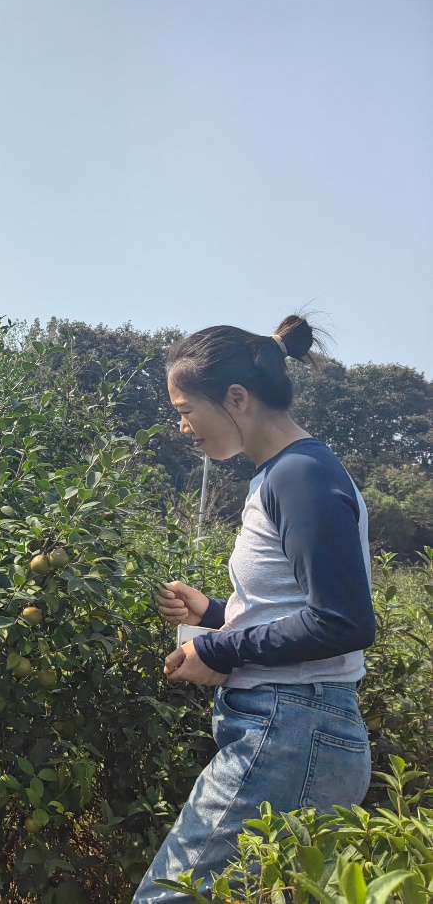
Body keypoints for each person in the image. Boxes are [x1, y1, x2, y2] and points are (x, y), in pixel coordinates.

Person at [134, 315, 375, 902]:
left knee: (169, 895)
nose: (183, 427)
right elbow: (298, 607)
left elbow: (344, 621)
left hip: (292, 729)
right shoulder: (284, 474)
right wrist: (216, 613)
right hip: (298, 729)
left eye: (186, 409)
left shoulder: (300, 475)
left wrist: (218, 648)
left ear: (237, 398)